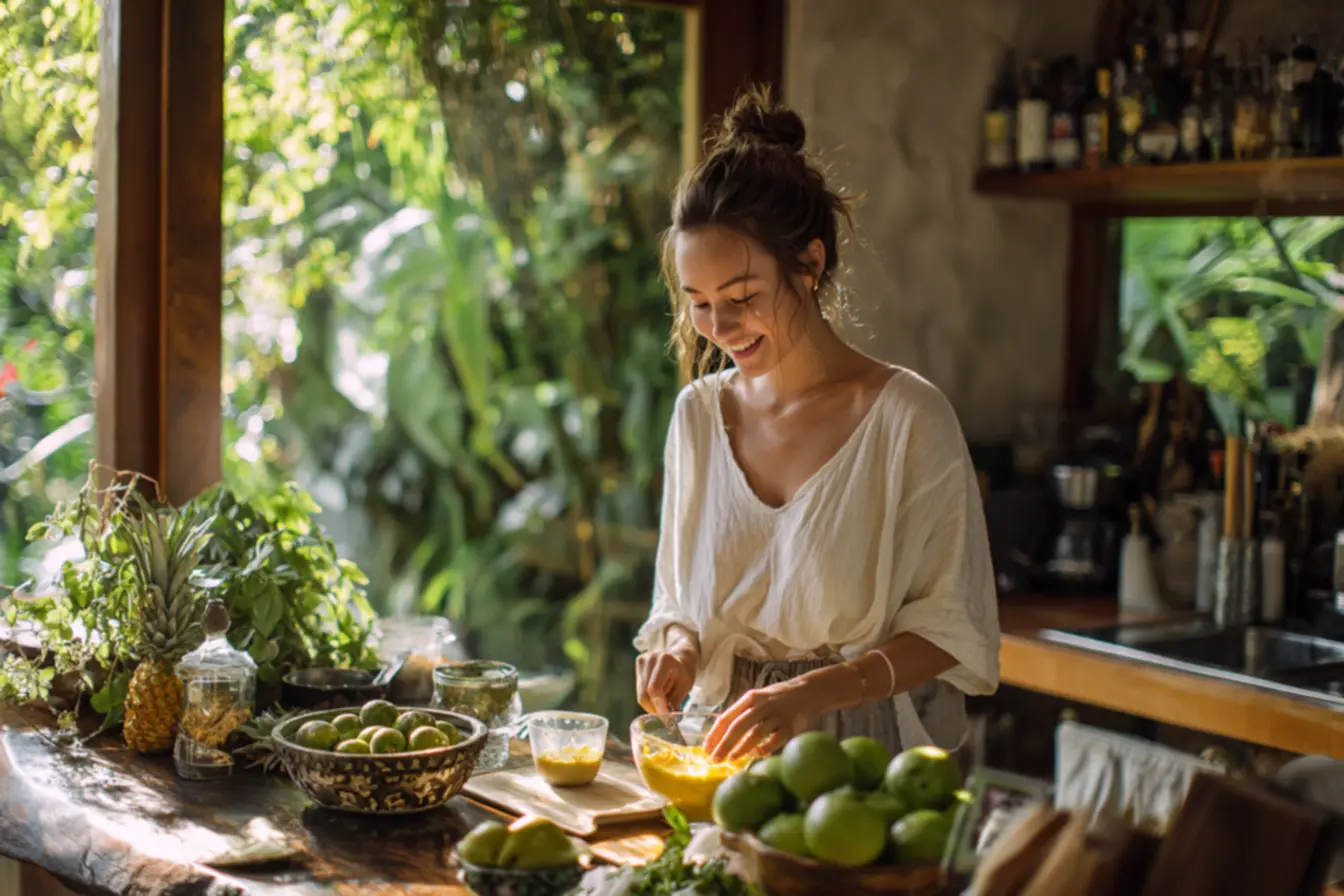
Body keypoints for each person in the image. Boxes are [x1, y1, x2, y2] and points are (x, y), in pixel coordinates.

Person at [632, 87, 1001, 763]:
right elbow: (678, 601)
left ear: (809, 265)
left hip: (859, 754)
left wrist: (810, 695)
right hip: (720, 747)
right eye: (701, 305)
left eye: (742, 298)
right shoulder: (698, 417)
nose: (720, 328)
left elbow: (952, 628)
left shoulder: (907, 420)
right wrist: (676, 648)